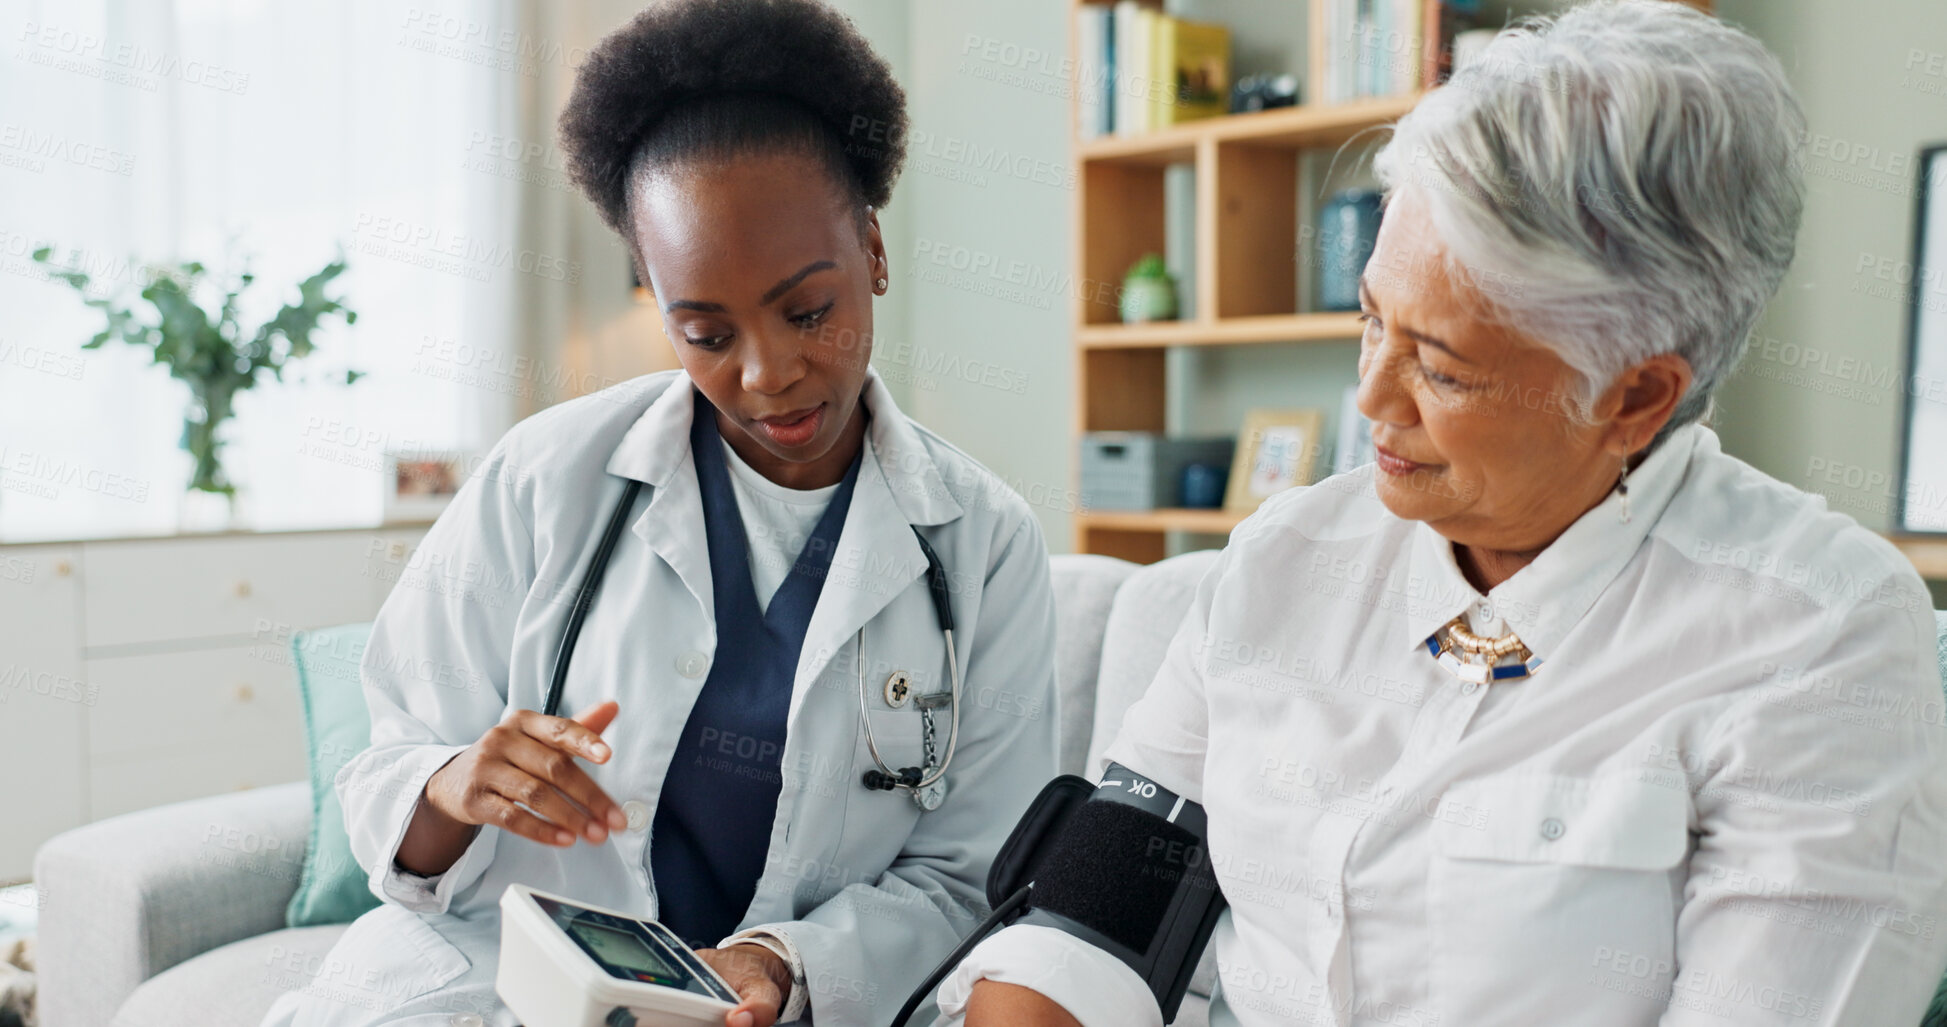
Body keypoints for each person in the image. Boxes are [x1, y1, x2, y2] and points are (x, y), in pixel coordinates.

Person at [939, 2, 1947, 1025]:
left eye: (1444, 370)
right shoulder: (1285, 559)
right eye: (1373, 320)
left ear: (1635, 397)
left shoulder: (1821, 637)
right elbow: (1092, 919)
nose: (1371, 399)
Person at [264, 2, 1059, 1024]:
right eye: (706, 332)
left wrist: (782, 959)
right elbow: (386, 782)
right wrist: (460, 784)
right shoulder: (544, 478)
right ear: (658, 307)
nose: (770, 374)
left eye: (808, 311)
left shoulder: (983, 544)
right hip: (512, 977)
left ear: (872, 249)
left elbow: (970, 877)